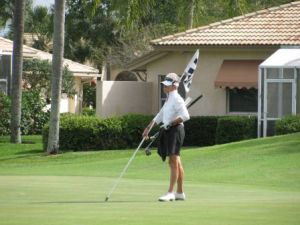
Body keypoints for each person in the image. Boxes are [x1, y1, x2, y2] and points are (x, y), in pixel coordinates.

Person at [142, 73, 190, 202]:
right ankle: (180, 192)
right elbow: (160, 114)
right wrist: (148, 128)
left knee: (173, 162)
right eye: (164, 85)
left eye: (167, 86)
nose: (164, 87)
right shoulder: (169, 98)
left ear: (174, 86)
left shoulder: (177, 98)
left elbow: (185, 116)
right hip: (170, 130)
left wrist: (171, 122)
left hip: (176, 130)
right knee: (177, 163)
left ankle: (170, 193)